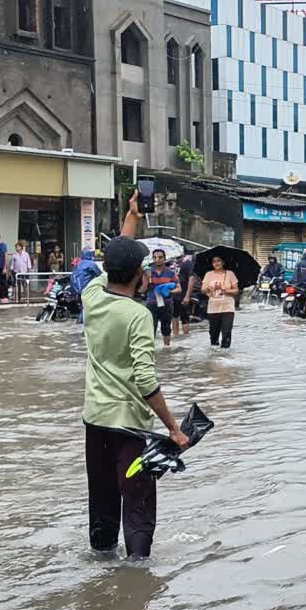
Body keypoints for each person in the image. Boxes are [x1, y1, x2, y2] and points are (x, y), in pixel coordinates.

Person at [81, 192, 190, 561]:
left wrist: (132, 216)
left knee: (103, 499)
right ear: (139, 274)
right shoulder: (137, 315)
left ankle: (101, 566)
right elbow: (145, 379)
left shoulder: (92, 296)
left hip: (95, 420)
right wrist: (174, 429)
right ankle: (137, 584)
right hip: (130, 427)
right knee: (138, 502)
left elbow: (109, 263)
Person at [144, 250, 179, 347]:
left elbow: (179, 289)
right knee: (150, 328)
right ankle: (150, 350)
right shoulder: (148, 272)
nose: (157, 259)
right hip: (151, 303)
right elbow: (142, 289)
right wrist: (146, 278)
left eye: (160, 257)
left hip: (166, 303)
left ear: (164, 258)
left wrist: (168, 291)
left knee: (166, 327)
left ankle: (166, 349)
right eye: (155, 257)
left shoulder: (170, 273)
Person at [203, 255, 239, 348]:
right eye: (214, 261)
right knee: (213, 336)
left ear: (223, 262)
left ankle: (225, 356)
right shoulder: (208, 274)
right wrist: (209, 288)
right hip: (213, 308)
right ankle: (215, 357)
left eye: (219, 261)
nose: (216, 263)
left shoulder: (230, 274)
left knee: (226, 333)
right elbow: (202, 290)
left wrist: (224, 290)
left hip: (228, 307)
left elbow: (236, 291)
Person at [173, 258, 198, 336]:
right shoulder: (168, 263)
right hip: (171, 296)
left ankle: (185, 339)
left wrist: (187, 295)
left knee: (184, 318)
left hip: (182, 295)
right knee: (174, 317)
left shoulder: (187, 263)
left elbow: (192, 278)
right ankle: (175, 337)